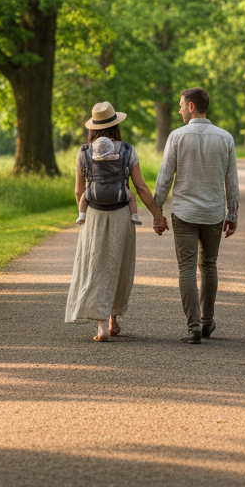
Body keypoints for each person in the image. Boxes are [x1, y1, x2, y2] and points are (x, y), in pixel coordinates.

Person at [66, 101, 166, 342]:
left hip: (94, 215)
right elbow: (140, 187)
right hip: (122, 213)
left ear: (93, 127)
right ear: (116, 125)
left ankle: (100, 326)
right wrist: (157, 215)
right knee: (118, 265)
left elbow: (79, 191)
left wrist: (84, 213)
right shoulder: (128, 150)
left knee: (96, 265)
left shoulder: (83, 152)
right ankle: (112, 319)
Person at [152, 87, 239, 344]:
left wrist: (158, 213)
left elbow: (165, 177)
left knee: (187, 269)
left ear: (191, 106)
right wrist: (232, 212)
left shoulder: (177, 137)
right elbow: (231, 181)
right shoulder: (225, 138)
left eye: (181, 105)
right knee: (209, 265)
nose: (179, 110)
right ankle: (207, 321)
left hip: (184, 213)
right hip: (214, 213)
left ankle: (193, 328)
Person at [76, 136, 142, 226]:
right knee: (131, 197)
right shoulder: (120, 155)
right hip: (118, 192)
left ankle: (82, 215)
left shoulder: (87, 154)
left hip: (95, 192)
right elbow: (140, 186)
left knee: (84, 197)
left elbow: (78, 192)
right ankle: (134, 215)